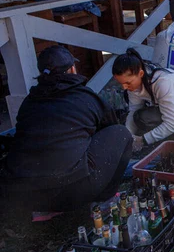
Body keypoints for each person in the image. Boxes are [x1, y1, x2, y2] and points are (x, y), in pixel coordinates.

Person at [3, 45, 133, 212]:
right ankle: (105, 197)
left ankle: (44, 211)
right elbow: (110, 126)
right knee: (121, 133)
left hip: (24, 195)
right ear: (73, 68)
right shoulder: (86, 97)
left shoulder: (28, 102)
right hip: (71, 193)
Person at [113, 48, 174, 151]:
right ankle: (160, 137)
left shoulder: (163, 82)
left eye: (127, 83)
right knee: (136, 115)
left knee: (142, 117)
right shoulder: (133, 85)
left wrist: (143, 140)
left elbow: (171, 124)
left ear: (141, 74)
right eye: (121, 83)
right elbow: (133, 110)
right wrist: (128, 136)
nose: (124, 87)